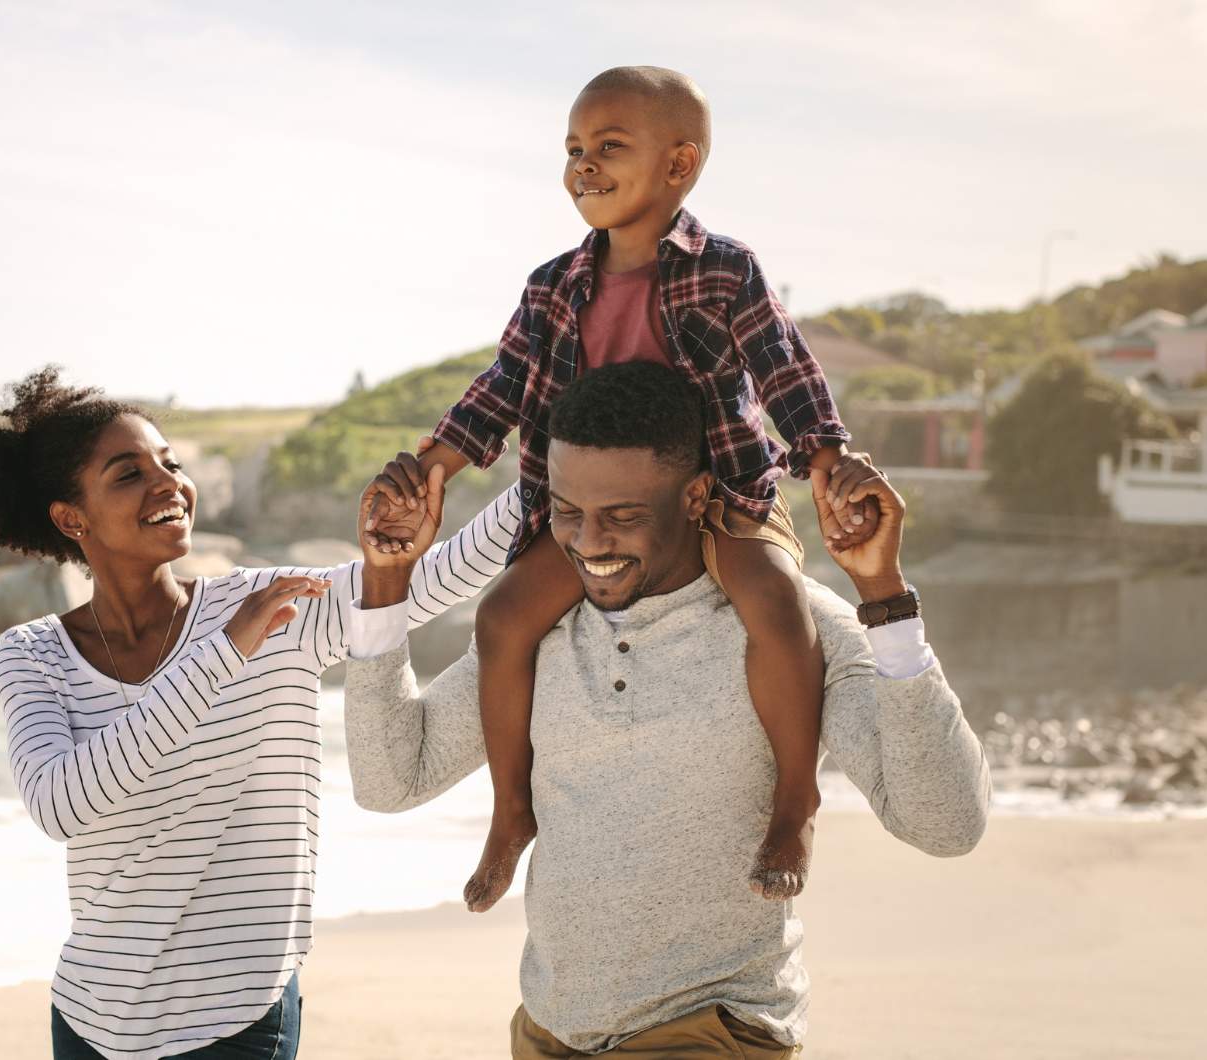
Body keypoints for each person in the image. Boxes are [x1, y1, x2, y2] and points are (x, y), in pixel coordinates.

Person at [344, 363, 990, 1058]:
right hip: (550, 1031)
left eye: (623, 517)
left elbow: (946, 824)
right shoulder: (540, 632)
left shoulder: (798, 631)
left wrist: (884, 597)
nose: (590, 543)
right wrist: (387, 582)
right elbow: (391, 782)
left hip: (713, 1028)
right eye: (568, 512)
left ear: (694, 497)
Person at [362, 64, 886, 913]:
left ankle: (795, 805)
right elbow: (499, 388)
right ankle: (510, 812)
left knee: (776, 604)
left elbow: (783, 370)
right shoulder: (553, 285)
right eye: (573, 149)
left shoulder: (724, 271)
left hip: (717, 495)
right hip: (589, 514)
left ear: (680, 165)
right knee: (500, 619)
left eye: (610, 146)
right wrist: (435, 464)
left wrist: (826, 457)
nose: (585, 165)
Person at [0, 367, 521, 1060]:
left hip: (238, 1018)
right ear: (72, 518)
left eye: (171, 463)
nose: (168, 484)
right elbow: (63, 805)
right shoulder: (35, 654)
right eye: (128, 474)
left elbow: (435, 576)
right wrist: (224, 651)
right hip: (91, 1021)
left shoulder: (272, 604)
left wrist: (559, 466)